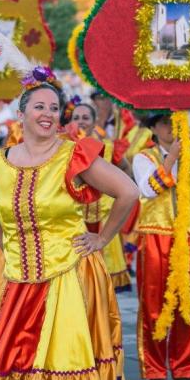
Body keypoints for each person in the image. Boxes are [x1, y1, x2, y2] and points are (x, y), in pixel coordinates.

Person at [0, 67, 139, 380]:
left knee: (65, 368)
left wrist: (101, 239)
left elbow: (128, 192)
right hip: (17, 278)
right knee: (16, 369)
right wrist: (5, 243)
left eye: (54, 108)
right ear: (21, 113)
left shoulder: (73, 155)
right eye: (40, 107)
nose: (48, 115)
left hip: (69, 274)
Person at [132, 113, 190, 380]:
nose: (172, 128)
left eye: (176, 123)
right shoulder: (144, 157)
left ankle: (185, 367)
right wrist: (172, 159)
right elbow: (148, 189)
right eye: (166, 123)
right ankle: (155, 369)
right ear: (154, 128)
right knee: (154, 305)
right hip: (157, 237)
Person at [70, 102, 133, 293]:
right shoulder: (65, 148)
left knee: (104, 284)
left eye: (85, 118)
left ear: (95, 121)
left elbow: (125, 168)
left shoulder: (106, 147)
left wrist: (117, 189)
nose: (81, 122)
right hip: (76, 222)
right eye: (76, 118)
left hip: (103, 222)